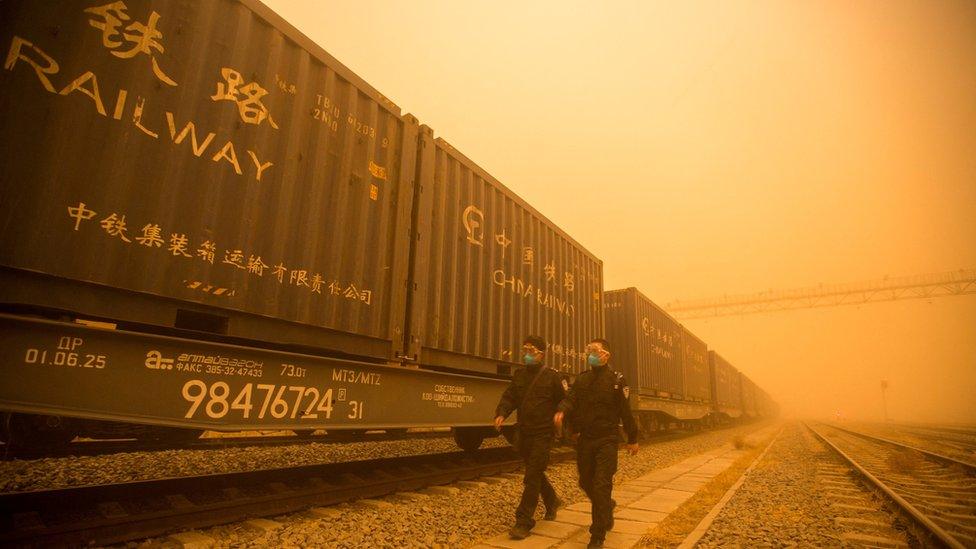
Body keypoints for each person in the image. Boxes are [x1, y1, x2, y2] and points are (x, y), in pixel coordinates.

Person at [554, 338, 639, 548]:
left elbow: (625, 412)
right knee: (585, 482)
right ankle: (606, 507)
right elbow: (571, 399)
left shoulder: (617, 381)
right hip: (586, 440)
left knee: (601, 485)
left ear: (606, 355)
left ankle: (597, 534)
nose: (590, 354)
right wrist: (562, 411)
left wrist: (633, 438)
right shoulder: (582, 379)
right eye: (588, 350)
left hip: (607, 440)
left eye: (595, 350)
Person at [494, 335, 568, 539]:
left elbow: (565, 400)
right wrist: (501, 413)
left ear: (541, 354)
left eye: (531, 351)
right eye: (524, 350)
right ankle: (552, 500)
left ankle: (524, 521)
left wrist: (560, 412)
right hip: (524, 432)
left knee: (532, 475)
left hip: (543, 434)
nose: (527, 354)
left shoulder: (553, 376)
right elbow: (510, 397)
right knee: (534, 472)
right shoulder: (519, 375)